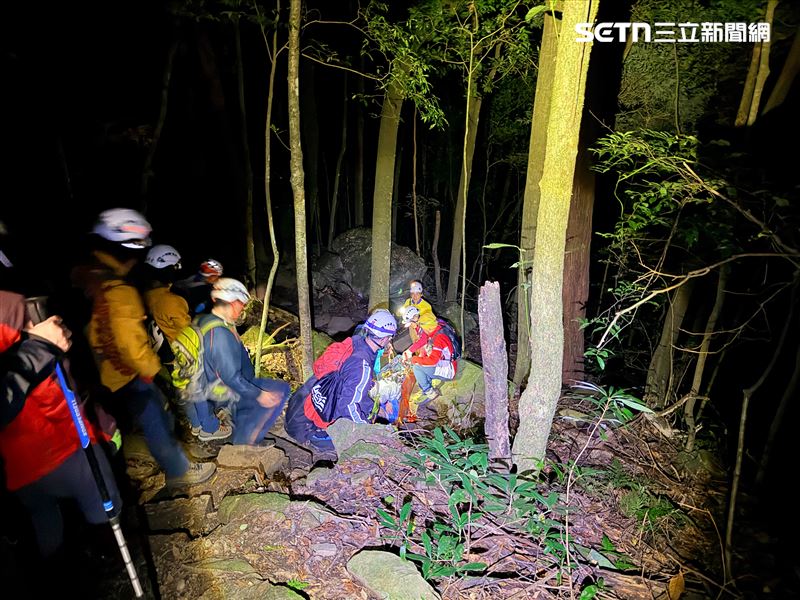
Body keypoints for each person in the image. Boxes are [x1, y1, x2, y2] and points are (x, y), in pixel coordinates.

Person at [72, 208, 215, 486]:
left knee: (120, 426)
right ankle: (179, 470)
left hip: (92, 375)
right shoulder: (120, 291)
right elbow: (132, 343)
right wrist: (151, 370)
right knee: (157, 417)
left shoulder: (87, 278)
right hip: (123, 374)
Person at [0, 289, 123, 559]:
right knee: (101, 502)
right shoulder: (12, 311)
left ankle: (56, 568)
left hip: (16, 467)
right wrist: (41, 346)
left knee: (44, 520)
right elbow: (58, 399)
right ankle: (110, 554)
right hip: (60, 451)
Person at [284, 309, 398, 454]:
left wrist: (373, 408)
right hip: (307, 428)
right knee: (360, 438)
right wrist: (368, 429)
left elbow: (351, 386)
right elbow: (348, 406)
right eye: (390, 337)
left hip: (297, 410)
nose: (390, 341)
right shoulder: (361, 365)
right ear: (383, 339)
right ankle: (320, 438)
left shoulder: (353, 343)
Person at [193, 277, 289, 445]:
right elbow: (230, 377)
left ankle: (237, 421)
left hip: (217, 386)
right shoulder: (220, 334)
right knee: (280, 390)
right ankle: (246, 445)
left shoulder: (215, 322)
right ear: (232, 302)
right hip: (224, 390)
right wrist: (259, 394)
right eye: (241, 304)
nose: (242, 308)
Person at [401, 305, 457, 403]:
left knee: (417, 367)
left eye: (411, 324)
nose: (412, 326)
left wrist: (414, 360)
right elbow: (423, 340)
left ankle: (430, 392)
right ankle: (427, 384)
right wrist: (410, 351)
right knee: (421, 359)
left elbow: (432, 361)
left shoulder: (439, 337)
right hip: (443, 362)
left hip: (448, 369)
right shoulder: (433, 329)